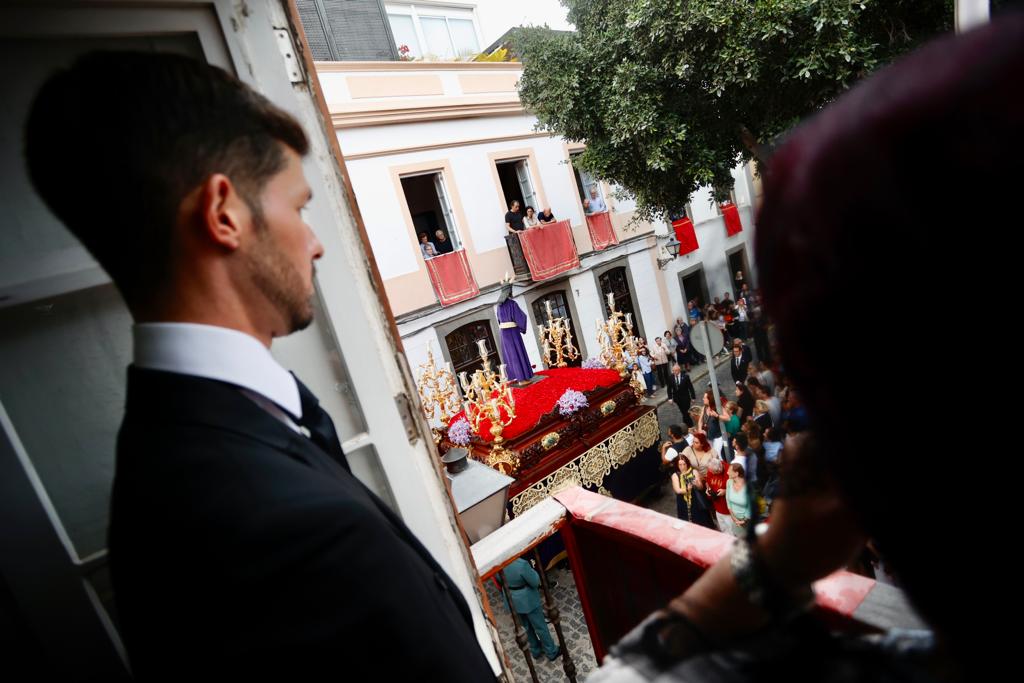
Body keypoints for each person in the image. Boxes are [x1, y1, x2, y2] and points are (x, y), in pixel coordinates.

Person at [24, 51, 494, 680]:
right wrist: (667, 644)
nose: (317, 241)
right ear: (224, 214)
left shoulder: (166, 449)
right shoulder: (289, 525)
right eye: (297, 208)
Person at [501, 558, 560, 662]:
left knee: (525, 626)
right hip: (527, 599)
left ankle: (535, 650)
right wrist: (532, 568)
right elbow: (535, 581)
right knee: (540, 627)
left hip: (511, 597)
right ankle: (551, 651)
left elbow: (499, 580)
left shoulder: (499, 563)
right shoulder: (521, 564)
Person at [671, 456, 706, 525]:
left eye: (684, 464)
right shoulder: (675, 475)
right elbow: (677, 490)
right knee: (686, 519)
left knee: (700, 518)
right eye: (680, 465)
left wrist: (697, 484)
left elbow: (701, 488)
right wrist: (687, 489)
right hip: (683, 500)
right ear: (677, 465)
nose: (683, 467)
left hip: (695, 498)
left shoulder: (694, 471)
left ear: (687, 463)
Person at [703, 457, 732, 536]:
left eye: (713, 472)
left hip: (729, 509)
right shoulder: (711, 469)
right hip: (717, 507)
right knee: (723, 530)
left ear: (719, 470)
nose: (711, 473)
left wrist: (725, 491)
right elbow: (708, 482)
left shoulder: (729, 471)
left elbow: (737, 488)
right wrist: (708, 489)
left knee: (731, 532)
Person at [724, 462, 752, 539]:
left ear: (736, 473)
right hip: (735, 519)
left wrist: (744, 520)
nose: (727, 472)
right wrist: (733, 516)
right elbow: (727, 499)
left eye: (729, 471)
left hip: (747, 521)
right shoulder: (729, 482)